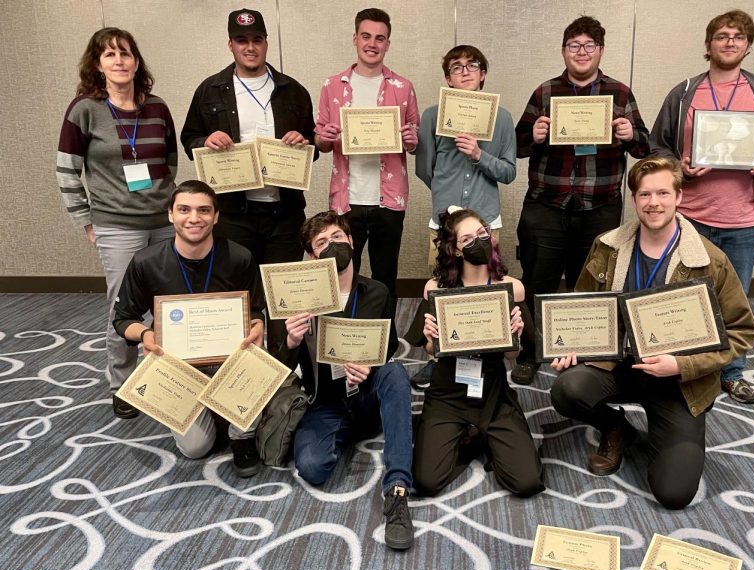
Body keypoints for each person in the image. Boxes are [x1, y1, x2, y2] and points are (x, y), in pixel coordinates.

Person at [549, 157, 754, 510]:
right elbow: (581, 306)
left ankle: (664, 432)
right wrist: (574, 346)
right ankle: (617, 428)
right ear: (634, 200)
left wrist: (682, 366)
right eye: (644, 194)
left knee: (674, 493)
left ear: (679, 197)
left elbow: (740, 332)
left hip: (678, 381)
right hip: (619, 366)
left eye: (663, 192)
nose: (653, 203)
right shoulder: (608, 246)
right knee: (567, 390)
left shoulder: (710, 260)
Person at [650, 9, 754, 404]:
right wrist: (679, 166)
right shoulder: (684, 92)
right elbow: (657, 143)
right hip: (691, 214)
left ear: (747, 46)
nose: (730, 42)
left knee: (735, 298)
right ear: (708, 44)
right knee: (679, 294)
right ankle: (678, 363)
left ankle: (732, 372)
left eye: (738, 37)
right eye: (722, 35)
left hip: (744, 217)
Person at [513, 15, 650, 386]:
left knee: (588, 282)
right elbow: (517, 145)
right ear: (564, 51)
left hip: (599, 207)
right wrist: (536, 134)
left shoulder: (620, 93)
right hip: (546, 204)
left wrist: (628, 131)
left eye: (589, 45)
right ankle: (528, 350)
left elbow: (644, 146)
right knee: (536, 279)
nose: (582, 52)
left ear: (600, 51)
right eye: (574, 45)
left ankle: (579, 351)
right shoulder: (544, 92)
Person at [57, 27, 178, 420]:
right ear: (97, 64)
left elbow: (170, 162)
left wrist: (170, 208)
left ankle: (170, 376)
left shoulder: (157, 107)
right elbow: (67, 171)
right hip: (117, 225)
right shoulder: (84, 110)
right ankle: (124, 384)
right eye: (110, 55)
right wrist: (86, 221)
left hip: (162, 222)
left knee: (169, 303)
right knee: (123, 307)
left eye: (125, 54)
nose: (119, 61)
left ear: (137, 61)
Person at [180, 8, 316, 355]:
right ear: (230, 45)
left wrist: (304, 143)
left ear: (266, 43)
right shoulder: (210, 90)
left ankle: (280, 373)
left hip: (283, 215)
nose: (250, 47)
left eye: (257, 40)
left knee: (281, 300)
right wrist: (205, 143)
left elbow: (313, 146)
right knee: (236, 295)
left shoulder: (293, 91)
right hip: (234, 214)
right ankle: (238, 370)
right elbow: (190, 138)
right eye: (242, 41)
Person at [276, 211, 414, 551]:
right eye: (321, 242)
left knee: (395, 372)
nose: (332, 245)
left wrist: (369, 365)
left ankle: (397, 490)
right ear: (312, 256)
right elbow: (278, 368)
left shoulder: (377, 292)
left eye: (338, 237)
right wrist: (292, 341)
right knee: (312, 467)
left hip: (367, 395)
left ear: (351, 242)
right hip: (326, 401)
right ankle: (345, 434)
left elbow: (390, 346)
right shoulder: (298, 298)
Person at [113, 180, 268, 477]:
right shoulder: (146, 262)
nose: (194, 218)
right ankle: (211, 410)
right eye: (184, 209)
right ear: (171, 214)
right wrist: (145, 334)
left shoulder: (239, 257)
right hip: (177, 364)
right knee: (195, 448)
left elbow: (257, 309)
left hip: (228, 360)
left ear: (216, 216)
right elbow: (122, 319)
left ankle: (242, 437)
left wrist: (258, 325)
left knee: (258, 346)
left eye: (203, 210)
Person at [405, 207, 544, 498]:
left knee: (527, 482)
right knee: (427, 481)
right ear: (454, 250)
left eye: (482, 234)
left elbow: (512, 358)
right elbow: (431, 351)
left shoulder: (511, 288)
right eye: (467, 239)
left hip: (493, 391)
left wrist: (515, 338)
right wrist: (432, 338)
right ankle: (468, 436)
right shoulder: (437, 289)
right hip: (448, 391)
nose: (478, 241)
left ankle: (478, 435)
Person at [411, 44, 517, 389]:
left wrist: (478, 155)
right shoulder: (431, 117)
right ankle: (437, 355)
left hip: (486, 222)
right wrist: (448, 205)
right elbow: (426, 170)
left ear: (483, 74)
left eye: (473, 65)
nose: (466, 71)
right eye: (457, 67)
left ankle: (484, 356)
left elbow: (508, 172)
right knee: (442, 291)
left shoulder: (502, 118)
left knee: (483, 293)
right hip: (443, 225)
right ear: (448, 79)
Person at [315, 7, 420, 310]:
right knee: (344, 272)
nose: (372, 43)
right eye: (366, 36)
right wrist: (327, 137)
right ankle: (348, 336)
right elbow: (320, 141)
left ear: (388, 44)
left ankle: (385, 341)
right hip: (346, 199)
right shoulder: (332, 86)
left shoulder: (403, 87)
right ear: (355, 39)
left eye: (380, 38)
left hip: (389, 198)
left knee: (386, 274)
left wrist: (412, 140)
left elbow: (413, 139)